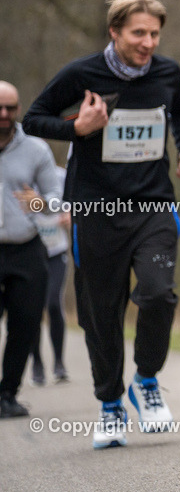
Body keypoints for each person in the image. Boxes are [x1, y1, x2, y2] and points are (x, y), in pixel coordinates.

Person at [23, 0, 180, 448]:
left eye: (155, 33)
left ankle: (147, 380)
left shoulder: (166, 71)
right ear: (115, 32)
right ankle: (111, 403)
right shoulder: (82, 74)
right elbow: (33, 119)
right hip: (96, 208)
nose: (148, 42)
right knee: (101, 312)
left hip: (153, 203)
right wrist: (78, 128)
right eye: (139, 33)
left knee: (159, 293)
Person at [0, 81, 63, 418]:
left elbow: (56, 198)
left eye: (11, 108)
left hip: (25, 247)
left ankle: (7, 394)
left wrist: (40, 202)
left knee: (24, 324)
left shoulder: (36, 150)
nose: (5, 115)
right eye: (0, 109)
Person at [28, 165, 71, 386]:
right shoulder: (18, 172)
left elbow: (77, 204)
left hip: (56, 250)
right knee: (32, 309)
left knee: (53, 303)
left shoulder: (60, 176)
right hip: (30, 251)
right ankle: (37, 363)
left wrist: (71, 216)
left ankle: (59, 363)